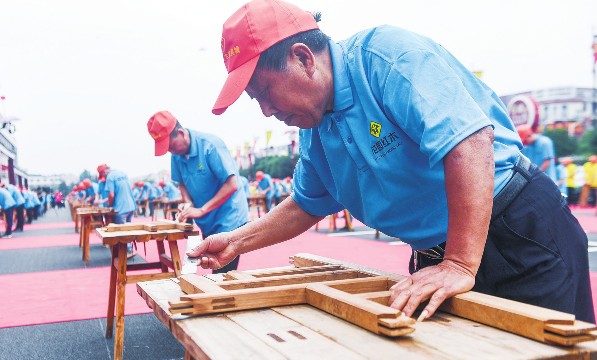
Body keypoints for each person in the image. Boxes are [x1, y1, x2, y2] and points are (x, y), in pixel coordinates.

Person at [189, 0, 595, 323]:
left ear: (303, 58)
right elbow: (307, 203)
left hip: (514, 232)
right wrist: (237, 241)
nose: (265, 111)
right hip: (441, 257)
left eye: (264, 92)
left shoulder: (384, 58)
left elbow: (470, 142)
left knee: (552, 348)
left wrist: (459, 261)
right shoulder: (315, 131)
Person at [147, 110, 249, 273]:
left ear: (180, 133)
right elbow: (182, 184)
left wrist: (201, 210)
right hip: (207, 219)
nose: (170, 151)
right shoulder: (176, 155)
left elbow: (232, 184)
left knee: (222, 275)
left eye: (171, 146)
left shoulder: (210, 145)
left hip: (229, 217)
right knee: (215, 270)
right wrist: (187, 203)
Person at [97, 163, 137, 257]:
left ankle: (125, 253)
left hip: (120, 208)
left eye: (102, 175)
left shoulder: (110, 177)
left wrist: (110, 206)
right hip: (130, 206)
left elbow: (111, 195)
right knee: (128, 229)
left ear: (103, 172)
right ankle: (129, 249)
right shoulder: (122, 173)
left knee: (121, 231)